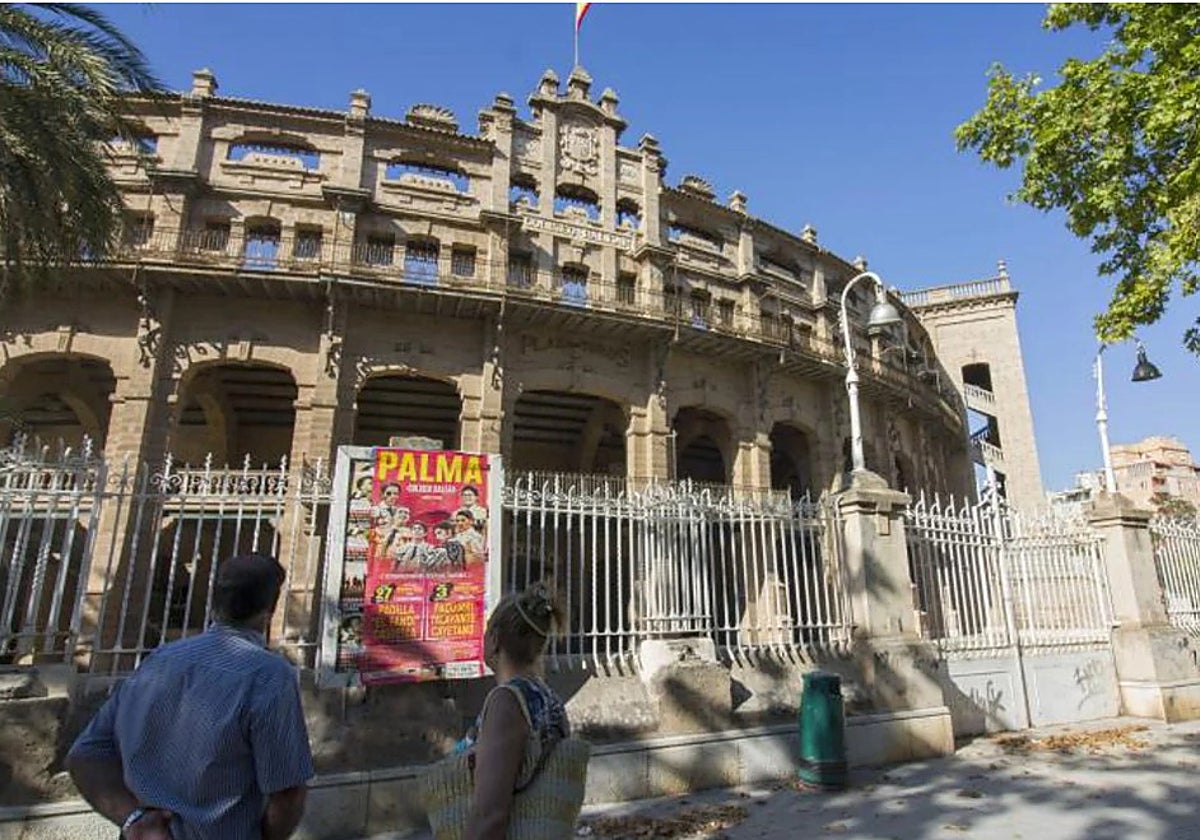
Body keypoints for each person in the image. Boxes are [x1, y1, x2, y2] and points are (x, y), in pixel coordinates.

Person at [66, 554, 314, 840]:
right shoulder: (269, 676)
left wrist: (134, 819)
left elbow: (84, 756)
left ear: (214, 601)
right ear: (271, 608)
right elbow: (288, 794)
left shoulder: (159, 660)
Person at [458, 583, 569, 840]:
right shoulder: (548, 698)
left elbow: (490, 816)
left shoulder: (507, 702)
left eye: (486, 630)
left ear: (495, 639)